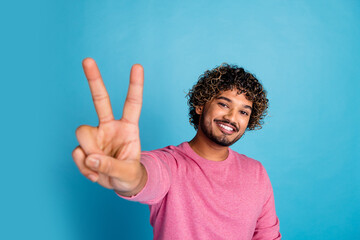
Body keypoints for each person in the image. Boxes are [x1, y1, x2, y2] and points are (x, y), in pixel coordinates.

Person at [72, 58, 281, 240]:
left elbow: (267, 236)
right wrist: (127, 173)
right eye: (224, 104)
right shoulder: (170, 164)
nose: (232, 117)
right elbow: (145, 176)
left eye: (244, 112)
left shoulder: (256, 173)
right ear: (200, 105)